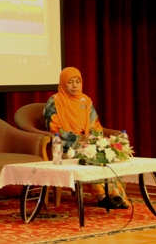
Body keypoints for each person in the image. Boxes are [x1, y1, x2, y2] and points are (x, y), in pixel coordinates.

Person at [44, 66, 128, 209]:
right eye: (70, 82)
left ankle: (116, 195)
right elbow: (53, 127)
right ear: (63, 83)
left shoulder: (86, 101)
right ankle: (102, 197)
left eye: (78, 81)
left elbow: (95, 124)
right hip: (66, 145)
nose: (75, 85)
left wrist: (96, 140)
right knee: (89, 158)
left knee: (106, 155)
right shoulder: (54, 101)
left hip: (87, 142)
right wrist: (78, 140)